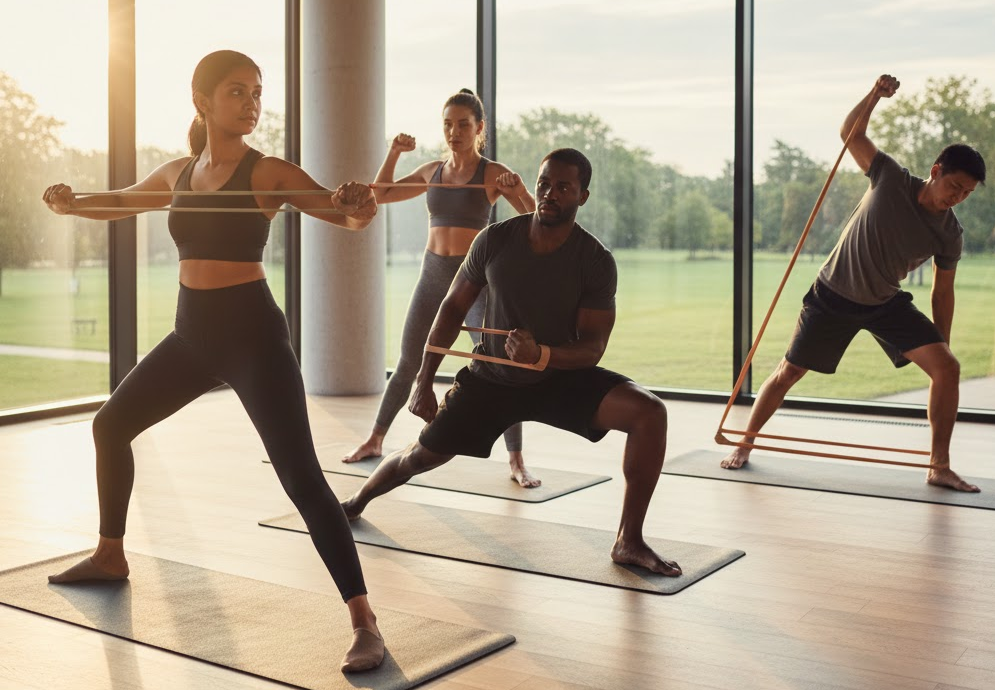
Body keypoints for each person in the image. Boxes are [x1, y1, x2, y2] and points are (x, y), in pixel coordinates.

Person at [42, 50, 385, 672]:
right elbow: (121, 201)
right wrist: (72, 203)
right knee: (110, 425)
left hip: (252, 334)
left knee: (301, 477)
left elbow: (344, 215)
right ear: (202, 100)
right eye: (237, 92)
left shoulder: (269, 172)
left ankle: (366, 623)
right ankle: (111, 553)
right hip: (192, 333)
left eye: (256, 92)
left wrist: (362, 204)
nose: (252, 102)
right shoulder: (179, 171)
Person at [341, 148, 682, 577]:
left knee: (650, 412)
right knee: (419, 457)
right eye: (544, 183)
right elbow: (450, 310)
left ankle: (628, 541)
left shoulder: (595, 260)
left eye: (563, 187)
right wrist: (424, 381)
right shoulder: (495, 239)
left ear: (583, 195)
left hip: (559, 377)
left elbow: (593, 347)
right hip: (492, 380)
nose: (549, 193)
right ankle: (354, 503)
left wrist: (543, 355)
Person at [721, 74, 986, 493]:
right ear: (936, 171)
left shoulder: (949, 233)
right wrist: (875, 96)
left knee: (947, 368)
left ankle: (939, 466)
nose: (958, 196)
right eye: (954, 185)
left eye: (967, 193)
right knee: (789, 372)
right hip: (832, 296)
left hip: (885, 302)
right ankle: (746, 444)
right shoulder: (891, 177)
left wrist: (941, 341)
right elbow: (851, 133)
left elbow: (942, 289)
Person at [342, 88, 542, 488]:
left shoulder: (490, 173)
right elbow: (380, 195)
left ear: (479, 128)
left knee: (500, 365)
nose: (454, 132)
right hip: (433, 272)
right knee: (408, 361)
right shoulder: (433, 170)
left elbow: (535, 217)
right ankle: (375, 439)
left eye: (463, 125)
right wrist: (394, 152)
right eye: (448, 124)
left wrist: (517, 188)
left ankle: (517, 460)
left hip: (474, 278)